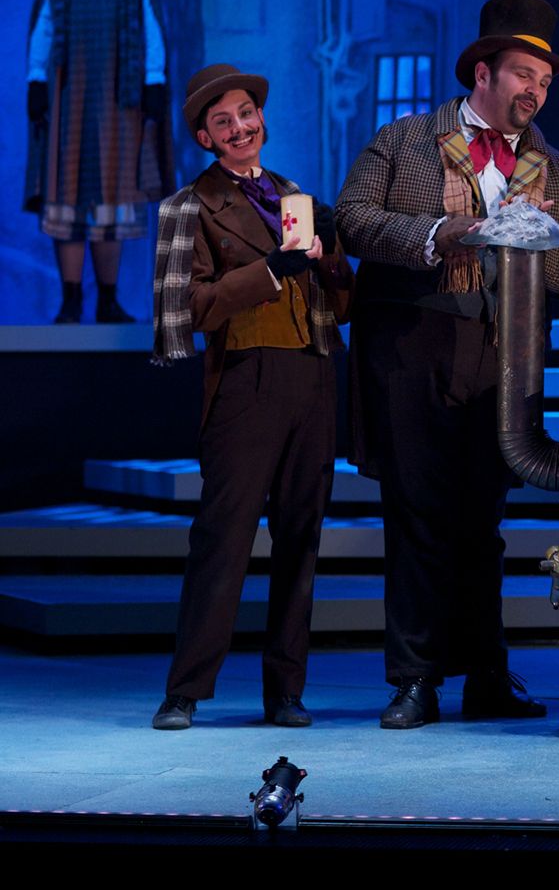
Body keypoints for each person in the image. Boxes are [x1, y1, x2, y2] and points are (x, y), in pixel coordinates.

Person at [336, 0, 559, 729]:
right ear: (483, 72)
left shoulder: (553, 168)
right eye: (523, 75)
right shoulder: (405, 140)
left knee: (482, 520)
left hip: (504, 349)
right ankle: (415, 678)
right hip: (416, 338)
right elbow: (352, 220)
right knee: (418, 512)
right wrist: (444, 231)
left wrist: (540, 242)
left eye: (545, 81)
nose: (535, 91)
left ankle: (485, 676)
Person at [147, 65, 352, 731]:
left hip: (313, 375)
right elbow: (185, 309)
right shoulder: (188, 207)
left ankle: (286, 691)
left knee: (301, 537)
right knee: (224, 537)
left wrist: (328, 255)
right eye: (223, 122)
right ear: (205, 138)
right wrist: (267, 272)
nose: (241, 127)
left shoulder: (295, 198)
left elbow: (341, 306)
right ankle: (185, 690)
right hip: (245, 378)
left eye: (247, 113)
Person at [25, 0, 171, 323]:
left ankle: (108, 301)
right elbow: (44, 26)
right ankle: (71, 301)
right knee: (66, 191)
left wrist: (154, 79)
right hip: (68, 98)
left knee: (112, 191)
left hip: (118, 99)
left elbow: (150, 25)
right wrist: (36, 79)